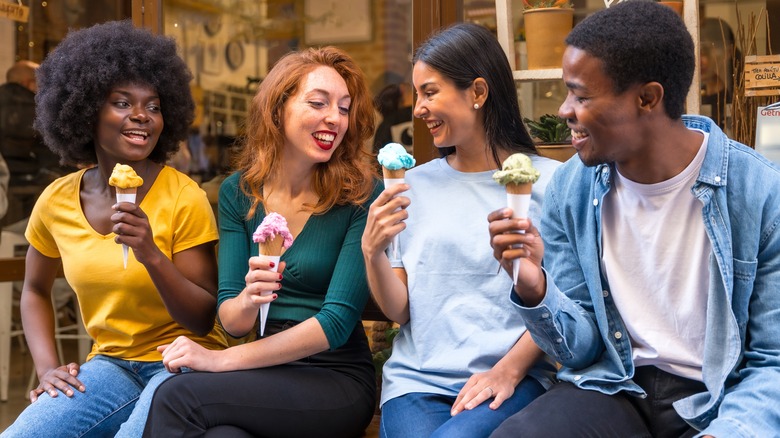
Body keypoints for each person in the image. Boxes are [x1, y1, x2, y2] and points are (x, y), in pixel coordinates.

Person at [487, 1, 780, 437]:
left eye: (581, 95)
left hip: (721, 396)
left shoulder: (759, 191)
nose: (565, 110)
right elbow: (581, 349)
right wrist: (535, 290)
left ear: (647, 98)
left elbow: (772, 361)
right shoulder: (573, 187)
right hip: (616, 385)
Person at [2, 20, 227, 438]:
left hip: (185, 361)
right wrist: (48, 367)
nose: (141, 115)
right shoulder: (56, 200)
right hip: (110, 364)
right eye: (122, 102)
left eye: (154, 105)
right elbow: (34, 290)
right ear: (85, 110)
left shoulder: (184, 196)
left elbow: (201, 318)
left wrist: (151, 255)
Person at [142, 46, 381, 437]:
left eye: (343, 107)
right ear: (277, 109)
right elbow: (233, 322)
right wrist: (250, 298)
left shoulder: (360, 195)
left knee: (176, 396)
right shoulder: (240, 192)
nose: (334, 118)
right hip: (263, 370)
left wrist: (219, 361)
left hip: (334, 376)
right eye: (318, 103)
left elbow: (335, 325)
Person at [361, 22, 560, 438]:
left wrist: (508, 371)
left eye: (429, 92)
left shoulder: (553, 183)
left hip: (515, 379)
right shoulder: (410, 186)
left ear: (478, 93)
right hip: (416, 383)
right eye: (417, 94)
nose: (417, 108)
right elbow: (400, 310)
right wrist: (372, 251)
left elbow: (561, 303)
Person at [0, 60, 70, 225]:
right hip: (34, 187)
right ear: (27, 83)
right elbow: (52, 149)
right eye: (41, 84)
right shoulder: (38, 110)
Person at [699, 17, 739, 130]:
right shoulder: (695, 97)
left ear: (729, 52)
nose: (701, 60)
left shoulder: (739, 98)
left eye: (707, 50)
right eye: (699, 51)